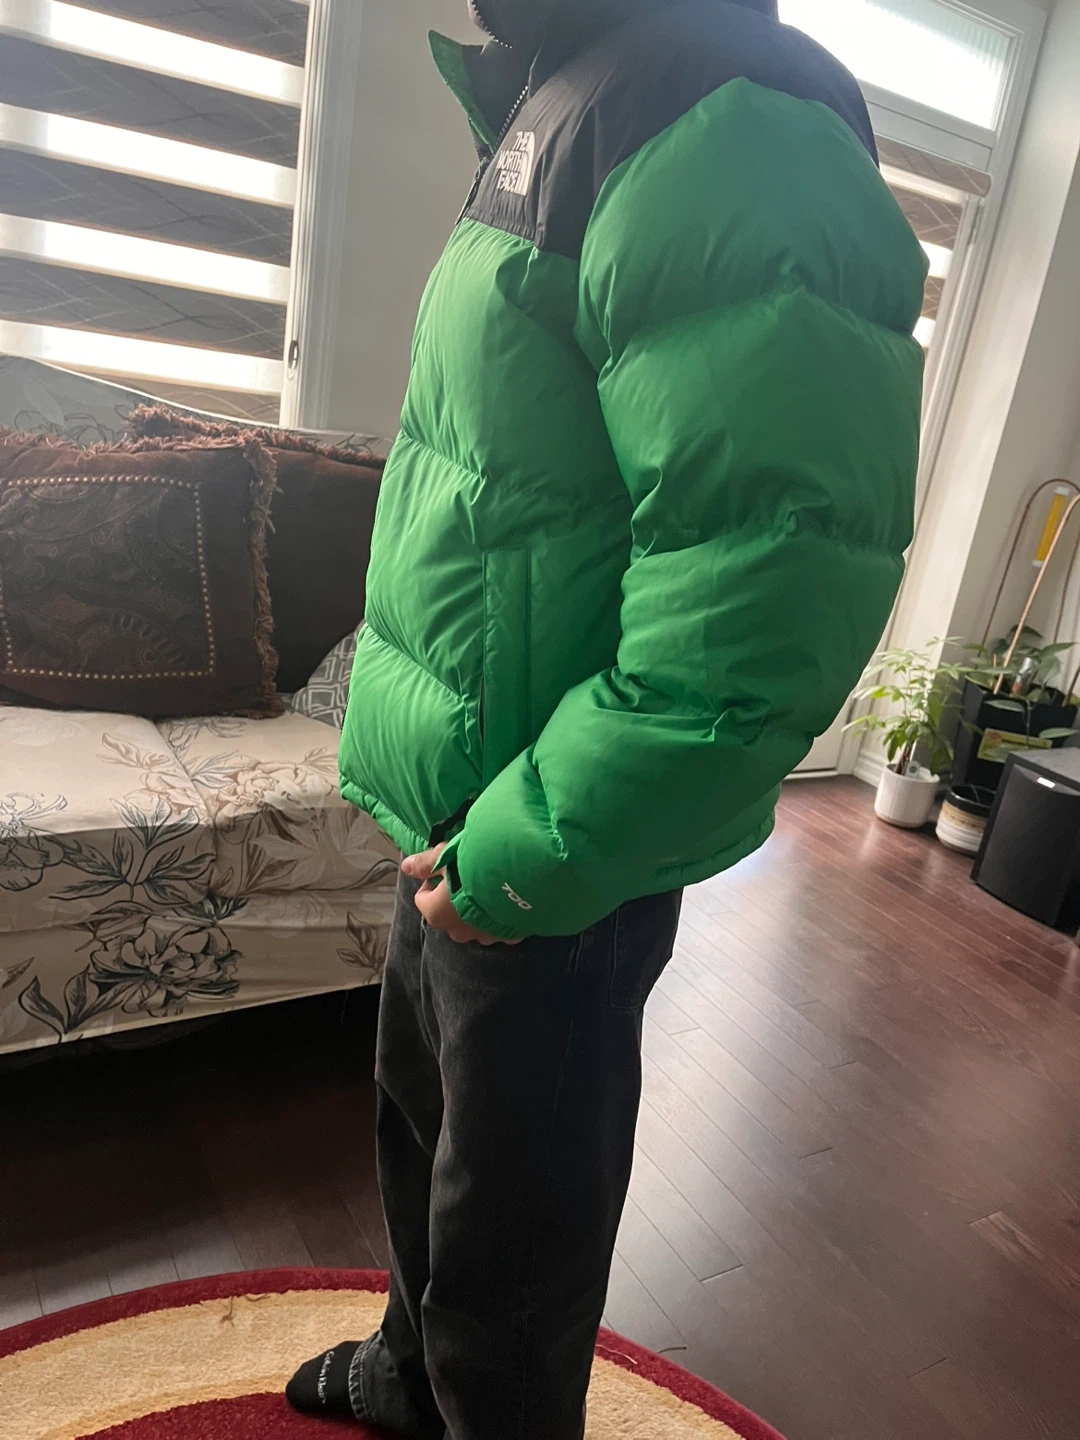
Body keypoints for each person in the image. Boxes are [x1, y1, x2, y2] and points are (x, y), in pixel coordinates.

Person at [287, 1, 926, 1436]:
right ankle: (411, 1376)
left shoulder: (730, 121)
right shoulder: (573, 90)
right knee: (426, 1130)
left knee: (513, 1234)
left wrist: (530, 851)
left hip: (543, 828)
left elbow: (760, 601)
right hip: (466, 797)